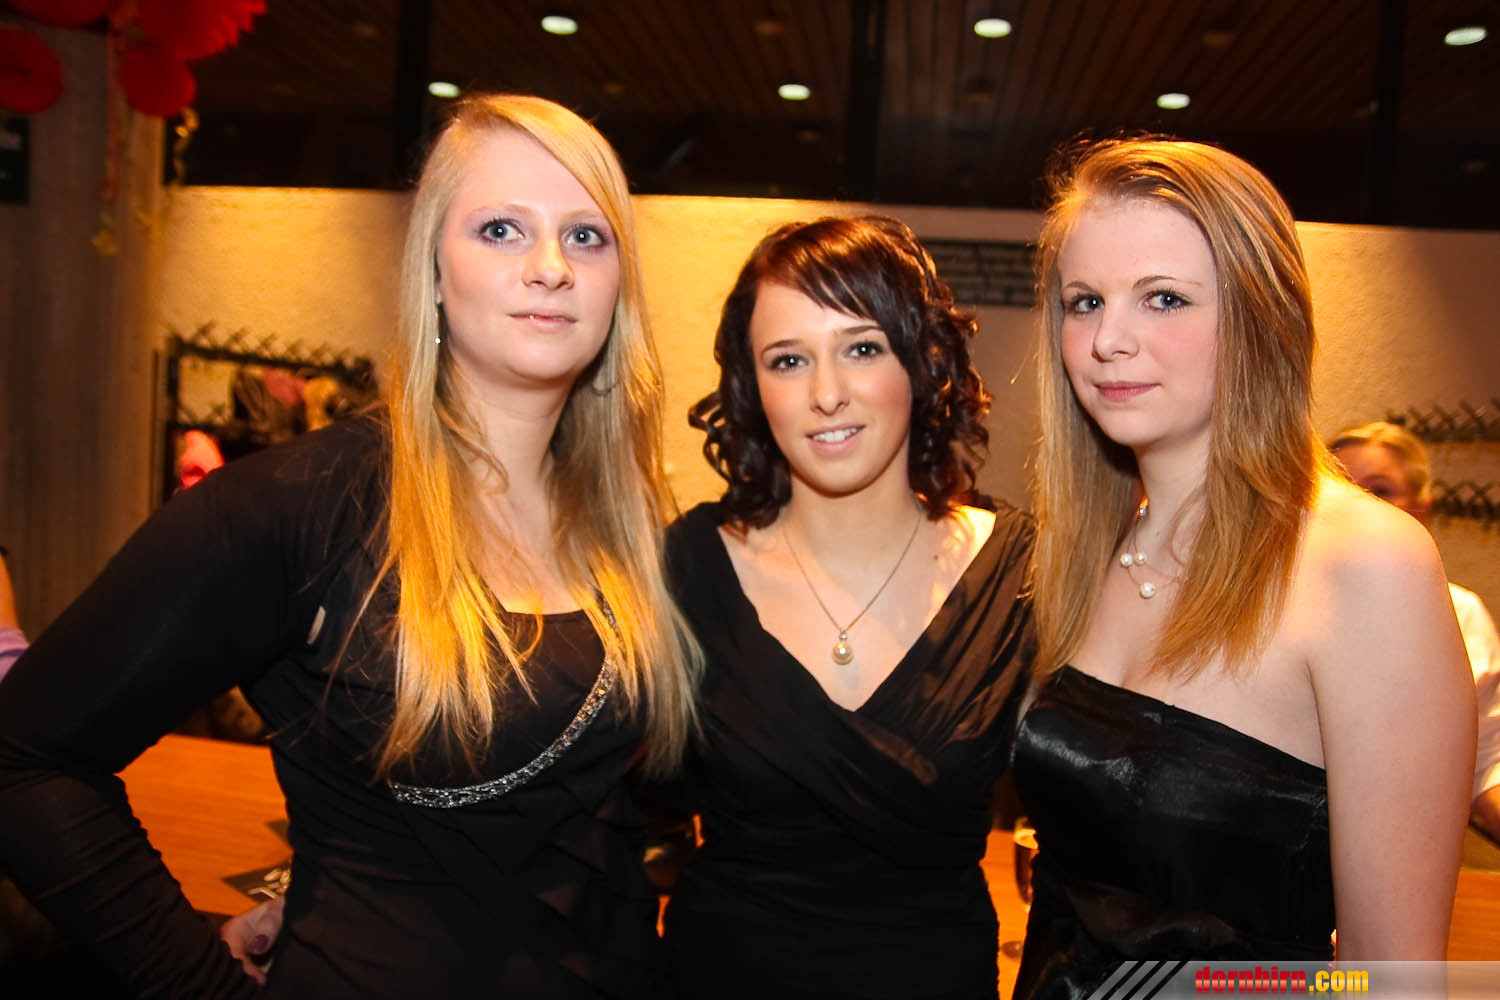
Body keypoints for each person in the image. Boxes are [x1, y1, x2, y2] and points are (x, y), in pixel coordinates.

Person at [0, 93, 699, 999]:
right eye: (501, 229)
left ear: (618, 284)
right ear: (433, 271)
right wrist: (198, 983)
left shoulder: (627, 517)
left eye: (586, 236)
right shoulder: (301, 506)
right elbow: (27, 761)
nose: (550, 268)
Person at [1012, 138, 1474, 997]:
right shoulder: (1093, 549)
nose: (1108, 339)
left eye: (1163, 298)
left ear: (1263, 316)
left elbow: (1396, 980)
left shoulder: (1363, 563)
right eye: (1085, 302)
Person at [661, 215, 1035, 999]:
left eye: (862, 349)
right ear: (753, 388)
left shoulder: (1022, 573)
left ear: (922, 363)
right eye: (788, 360)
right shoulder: (685, 569)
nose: (826, 394)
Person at [1329, 420, 1500, 841]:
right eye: (1340, 486)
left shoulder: (1459, 613)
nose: (1359, 504)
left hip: (1411, 851)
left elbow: (1485, 759)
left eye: (1379, 490)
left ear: (1420, 507)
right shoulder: (1275, 609)